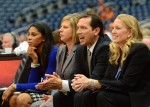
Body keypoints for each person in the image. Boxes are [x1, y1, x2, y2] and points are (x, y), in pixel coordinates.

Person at [73, 14, 150, 107]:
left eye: (117, 28)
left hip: (135, 97)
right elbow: (107, 79)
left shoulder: (139, 49)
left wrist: (94, 83)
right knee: (87, 95)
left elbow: (128, 84)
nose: (113, 32)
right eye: (113, 28)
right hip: (118, 94)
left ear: (130, 32)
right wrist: (91, 84)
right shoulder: (115, 51)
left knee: (104, 96)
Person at [2, 22, 58, 107]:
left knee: (23, 98)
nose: (29, 38)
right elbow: (32, 83)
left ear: (43, 38)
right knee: (13, 98)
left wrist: (14, 86)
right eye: (28, 34)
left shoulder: (53, 52)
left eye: (33, 35)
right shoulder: (35, 53)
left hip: (54, 93)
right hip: (44, 90)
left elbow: (44, 86)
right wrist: (35, 61)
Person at [31, 13, 80, 107]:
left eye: (65, 27)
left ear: (75, 30)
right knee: (35, 105)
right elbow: (57, 77)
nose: (60, 30)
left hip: (75, 96)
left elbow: (75, 81)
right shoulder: (61, 50)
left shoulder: (81, 50)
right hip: (61, 95)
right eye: (61, 27)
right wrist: (53, 96)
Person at [70, 13, 110, 107]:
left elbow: (96, 78)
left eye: (83, 28)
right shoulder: (80, 48)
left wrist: (62, 83)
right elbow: (74, 75)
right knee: (59, 96)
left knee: (82, 96)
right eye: (78, 28)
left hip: (104, 90)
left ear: (96, 31)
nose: (78, 32)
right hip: (88, 90)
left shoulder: (105, 47)